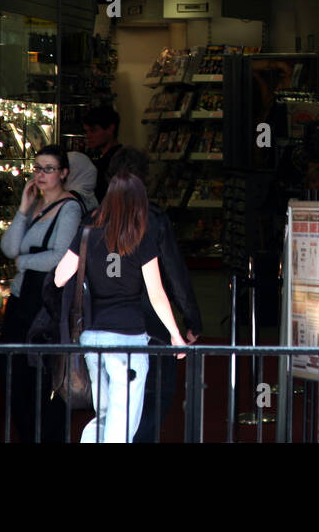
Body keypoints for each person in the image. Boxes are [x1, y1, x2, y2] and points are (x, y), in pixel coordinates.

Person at [54, 172, 185, 443]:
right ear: (139, 204)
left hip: (93, 338)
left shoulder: (87, 235)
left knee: (105, 415)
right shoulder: (141, 240)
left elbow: (59, 278)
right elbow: (157, 293)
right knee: (123, 421)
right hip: (130, 340)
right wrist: (175, 335)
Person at [107, 146, 202, 442]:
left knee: (114, 399)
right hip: (151, 321)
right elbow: (173, 273)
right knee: (155, 394)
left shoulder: (94, 218)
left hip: (104, 321)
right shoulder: (155, 219)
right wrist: (191, 320)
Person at [0, 144, 82, 441]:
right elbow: (8, 247)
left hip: (44, 305)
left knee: (40, 376)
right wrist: (23, 208)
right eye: (37, 168)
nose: (42, 174)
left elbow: (63, 255)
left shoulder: (69, 208)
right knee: (14, 373)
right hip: (21, 301)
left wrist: (24, 262)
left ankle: (46, 435)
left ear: (63, 173)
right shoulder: (34, 206)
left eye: (49, 168)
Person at [82, 106, 122, 203]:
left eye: (93, 130)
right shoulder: (113, 158)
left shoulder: (117, 161)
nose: (88, 136)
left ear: (110, 129)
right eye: (86, 131)